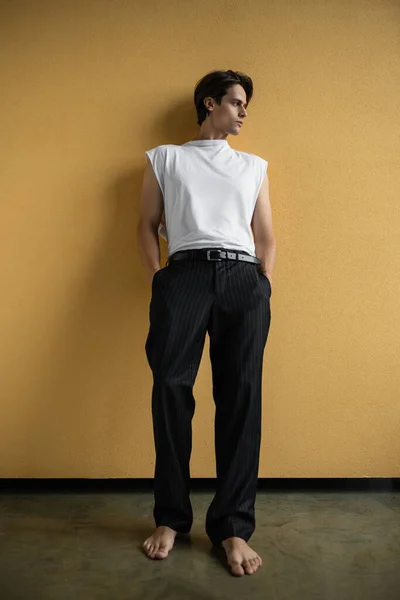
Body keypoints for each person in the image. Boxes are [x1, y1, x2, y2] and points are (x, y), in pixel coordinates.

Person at [137, 69, 276, 577]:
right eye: (237, 102)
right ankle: (170, 517)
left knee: (241, 396)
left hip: (242, 279)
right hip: (185, 276)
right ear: (210, 102)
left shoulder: (253, 166)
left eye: (246, 105)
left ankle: (233, 527)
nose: (243, 112)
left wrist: (263, 283)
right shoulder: (164, 158)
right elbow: (146, 227)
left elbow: (266, 235)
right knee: (170, 391)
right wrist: (161, 281)